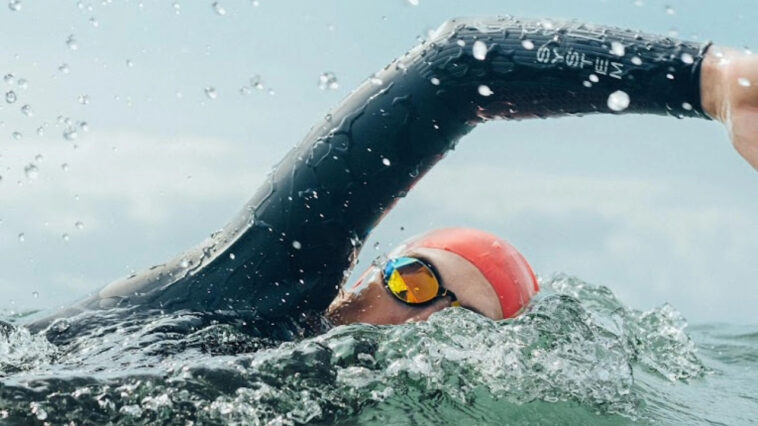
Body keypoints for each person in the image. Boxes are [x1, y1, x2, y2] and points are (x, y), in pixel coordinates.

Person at [25, 17, 758, 338]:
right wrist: (709, 79)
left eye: (446, 315)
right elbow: (460, 64)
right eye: (411, 280)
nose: (409, 315)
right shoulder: (256, 287)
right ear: (375, 271)